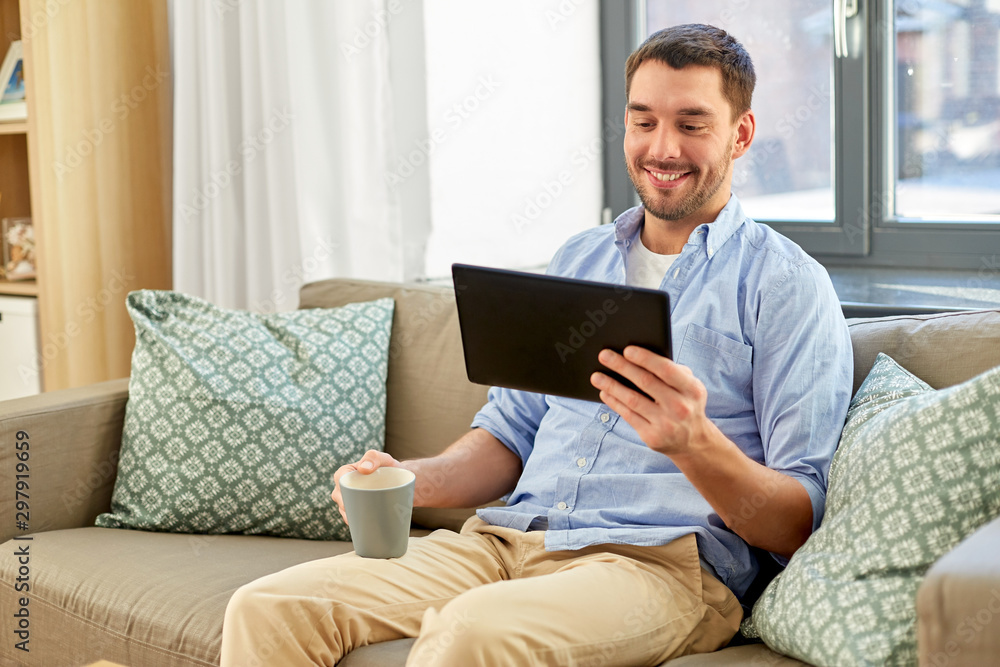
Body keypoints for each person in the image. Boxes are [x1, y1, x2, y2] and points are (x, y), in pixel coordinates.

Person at [221, 23, 853, 667]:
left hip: (658, 567)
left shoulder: (785, 285)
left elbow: (800, 519)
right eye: (643, 121)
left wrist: (695, 445)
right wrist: (412, 478)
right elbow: (510, 432)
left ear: (740, 134)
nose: (663, 148)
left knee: (469, 635)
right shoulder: (579, 260)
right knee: (269, 607)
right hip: (507, 542)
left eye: (692, 124)